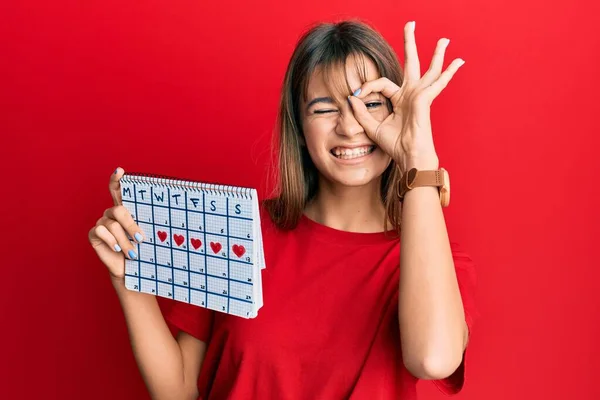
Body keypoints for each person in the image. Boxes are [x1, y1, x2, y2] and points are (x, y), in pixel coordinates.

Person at [88, 19, 477, 400]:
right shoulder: (237, 228)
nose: (351, 126)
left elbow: (433, 358)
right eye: (324, 109)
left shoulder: (435, 261)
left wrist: (418, 154)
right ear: (300, 125)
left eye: (371, 104)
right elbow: (180, 389)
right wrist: (129, 282)